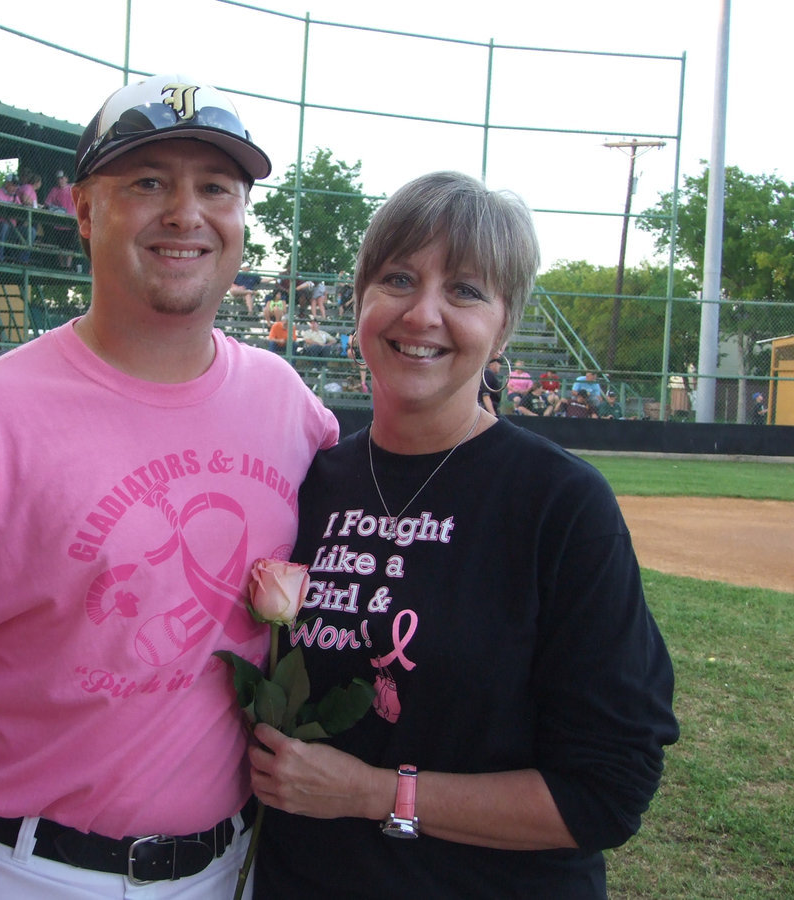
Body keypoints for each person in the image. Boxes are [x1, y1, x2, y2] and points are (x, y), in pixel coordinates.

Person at [0, 72, 339, 900]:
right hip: (18, 870)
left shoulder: (289, 407)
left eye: (216, 187)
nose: (186, 213)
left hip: (227, 870)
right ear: (86, 211)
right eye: (147, 183)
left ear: (243, 220)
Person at [250, 171, 678, 899]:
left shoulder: (560, 504)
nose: (422, 314)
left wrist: (375, 792)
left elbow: (607, 789)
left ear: (505, 326)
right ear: (360, 301)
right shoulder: (308, 485)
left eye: (466, 291)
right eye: (398, 278)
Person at [45, 171, 78, 268]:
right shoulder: (54, 190)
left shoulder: (72, 189)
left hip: (71, 221)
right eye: (59, 178)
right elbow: (47, 203)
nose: (61, 180)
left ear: (66, 179)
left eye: (62, 178)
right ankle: (62, 265)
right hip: (59, 223)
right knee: (61, 246)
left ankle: (68, 266)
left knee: (70, 246)